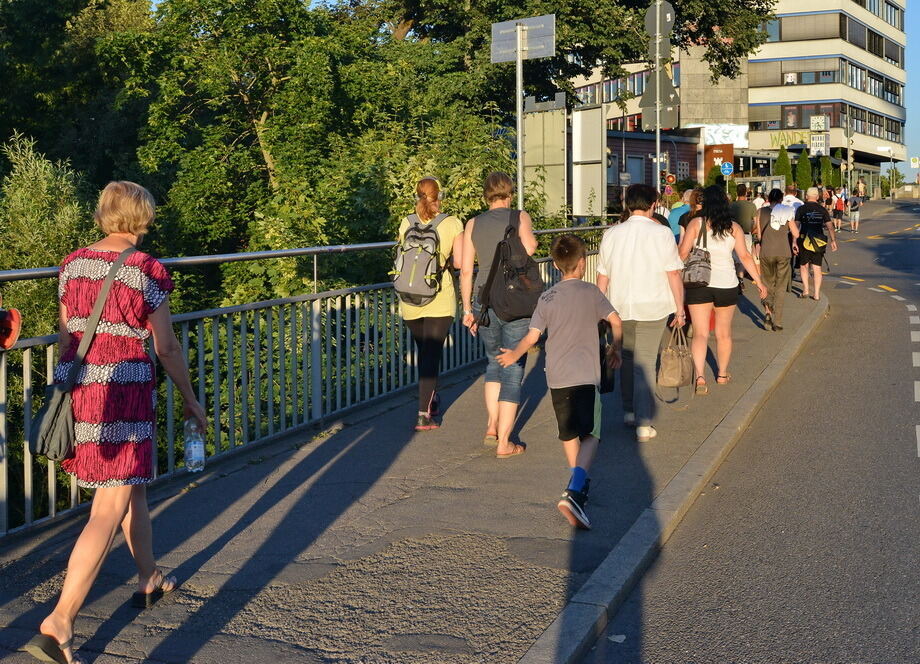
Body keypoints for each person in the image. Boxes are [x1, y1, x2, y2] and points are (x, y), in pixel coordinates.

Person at [25, 182, 206, 664]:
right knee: (107, 507)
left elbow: (68, 334)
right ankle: (59, 621)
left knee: (131, 487)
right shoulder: (148, 270)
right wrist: (191, 400)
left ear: (105, 215)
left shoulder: (72, 264)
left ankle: (148, 577)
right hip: (124, 393)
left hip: (82, 387)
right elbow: (165, 347)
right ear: (143, 217)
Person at [497, 235, 623, 529]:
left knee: (568, 433)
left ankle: (577, 486)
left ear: (555, 265)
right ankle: (575, 489)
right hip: (586, 375)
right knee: (591, 433)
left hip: (557, 376)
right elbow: (616, 321)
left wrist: (514, 353)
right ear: (582, 263)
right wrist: (615, 349)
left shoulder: (547, 297)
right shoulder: (592, 292)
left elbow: (532, 336)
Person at [595, 184, 685, 443]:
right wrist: (679, 308)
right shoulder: (662, 233)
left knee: (623, 357)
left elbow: (603, 275)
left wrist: (599, 308)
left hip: (619, 305)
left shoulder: (611, 234)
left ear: (627, 204)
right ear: (653, 204)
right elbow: (673, 273)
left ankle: (629, 411)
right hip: (653, 305)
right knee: (645, 362)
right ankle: (644, 424)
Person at [460, 172, 537, 458]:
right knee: (513, 367)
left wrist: (467, 309)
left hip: (483, 301)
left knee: (493, 362)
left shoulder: (473, 223)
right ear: (509, 193)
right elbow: (529, 248)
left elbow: (466, 269)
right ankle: (505, 442)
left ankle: (492, 425)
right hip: (515, 300)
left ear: (486, 195)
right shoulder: (519, 217)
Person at [679, 186, 767, 394]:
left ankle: (700, 378)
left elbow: (682, 253)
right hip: (727, 284)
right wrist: (759, 282)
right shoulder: (733, 227)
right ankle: (722, 374)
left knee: (700, 333)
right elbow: (745, 257)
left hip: (699, 284)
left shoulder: (696, 223)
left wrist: (671, 276)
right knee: (724, 333)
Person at [397, 177, 464, 431]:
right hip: (438, 296)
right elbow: (458, 263)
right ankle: (424, 415)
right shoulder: (451, 223)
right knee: (431, 355)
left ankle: (431, 398)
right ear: (439, 196)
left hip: (409, 297)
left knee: (425, 352)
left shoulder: (406, 222)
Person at [754, 188, 800, 331]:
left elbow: (759, 236)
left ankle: (768, 312)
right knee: (780, 287)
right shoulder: (786, 211)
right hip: (783, 252)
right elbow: (796, 233)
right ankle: (778, 322)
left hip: (766, 252)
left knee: (767, 284)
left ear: (769, 198)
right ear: (781, 199)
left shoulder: (760, 212)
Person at [795, 187, 838, 301]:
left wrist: (794, 241)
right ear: (817, 197)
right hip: (818, 241)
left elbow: (796, 226)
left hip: (804, 240)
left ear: (806, 196)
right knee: (817, 267)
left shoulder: (801, 209)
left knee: (803, 266)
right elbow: (830, 227)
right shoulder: (822, 210)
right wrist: (833, 241)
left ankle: (806, 290)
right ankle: (817, 294)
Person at [729, 184, 758, 287]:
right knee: (744, 257)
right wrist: (752, 230)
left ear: (736, 193)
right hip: (746, 234)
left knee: (733, 257)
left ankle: (734, 278)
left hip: (731, 234)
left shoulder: (731, 205)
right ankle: (740, 278)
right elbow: (755, 222)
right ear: (746, 193)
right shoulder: (751, 206)